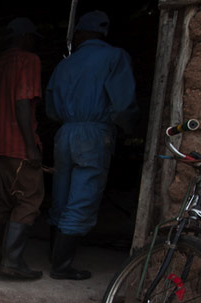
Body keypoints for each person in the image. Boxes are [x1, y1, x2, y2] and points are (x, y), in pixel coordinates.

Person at [45, 10, 138, 280]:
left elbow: (51, 109)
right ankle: (61, 266)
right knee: (83, 197)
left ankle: (54, 253)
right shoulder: (114, 58)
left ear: (80, 33)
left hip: (65, 133)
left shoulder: (65, 65)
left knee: (61, 194)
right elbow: (123, 105)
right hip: (94, 133)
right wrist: (124, 127)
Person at [0, 17, 44, 280]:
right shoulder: (28, 61)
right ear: (24, 38)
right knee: (28, 200)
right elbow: (22, 102)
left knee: (1, 202)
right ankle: (12, 260)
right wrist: (31, 147)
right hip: (17, 146)